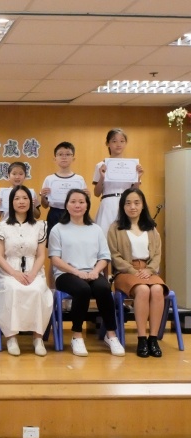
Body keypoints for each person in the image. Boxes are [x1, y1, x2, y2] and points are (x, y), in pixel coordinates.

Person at [48, 189, 125, 357]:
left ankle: (111, 335)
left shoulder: (95, 229)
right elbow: (55, 259)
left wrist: (96, 271)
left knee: (104, 288)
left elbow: (104, 257)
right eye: (73, 202)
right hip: (65, 274)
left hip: (92, 273)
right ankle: (76, 335)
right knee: (82, 289)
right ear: (66, 205)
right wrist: (76, 272)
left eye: (81, 202)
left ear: (87, 205)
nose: (77, 205)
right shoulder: (58, 229)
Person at [0, 185, 53, 356]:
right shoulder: (1, 226)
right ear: (11, 202)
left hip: (34, 270)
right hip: (9, 270)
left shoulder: (40, 226)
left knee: (38, 290)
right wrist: (15, 273)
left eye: (25, 198)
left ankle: (38, 338)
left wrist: (32, 274)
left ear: (31, 202)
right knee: (13, 289)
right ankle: (11, 337)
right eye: (17, 198)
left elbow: (41, 255)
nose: (21, 202)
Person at [107, 188, 167, 358]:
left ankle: (153, 339)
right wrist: (133, 271)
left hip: (148, 270)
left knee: (157, 289)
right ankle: (141, 338)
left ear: (143, 205)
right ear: (122, 206)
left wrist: (149, 270)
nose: (132, 207)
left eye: (136, 203)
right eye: (128, 203)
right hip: (125, 272)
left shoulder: (151, 228)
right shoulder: (115, 228)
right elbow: (114, 256)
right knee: (142, 289)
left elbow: (157, 254)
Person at [40, 142, 88, 287]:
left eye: (68, 154)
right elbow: (45, 205)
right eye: (60, 154)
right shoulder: (49, 179)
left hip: (75, 216)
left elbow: (84, 202)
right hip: (55, 214)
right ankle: (53, 291)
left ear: (73, 158)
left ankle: (74, 287)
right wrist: (43, 196)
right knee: (54, 256)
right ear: (55, 158)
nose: (64, 157)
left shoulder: (79, 179)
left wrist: (87, 196)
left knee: (73, 252)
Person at [93, 128, 144, 235]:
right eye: (114, 141)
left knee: (126, 236)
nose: (118, 144)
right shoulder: (100, 165)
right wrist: (102, 176)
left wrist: (138, 177)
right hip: (107, 204)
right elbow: (97, 193)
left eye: (122, 141)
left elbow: (135, 192)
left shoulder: (132, 165)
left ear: (126, 143)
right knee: (105, 234)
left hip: (127, 204)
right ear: (108, 143)